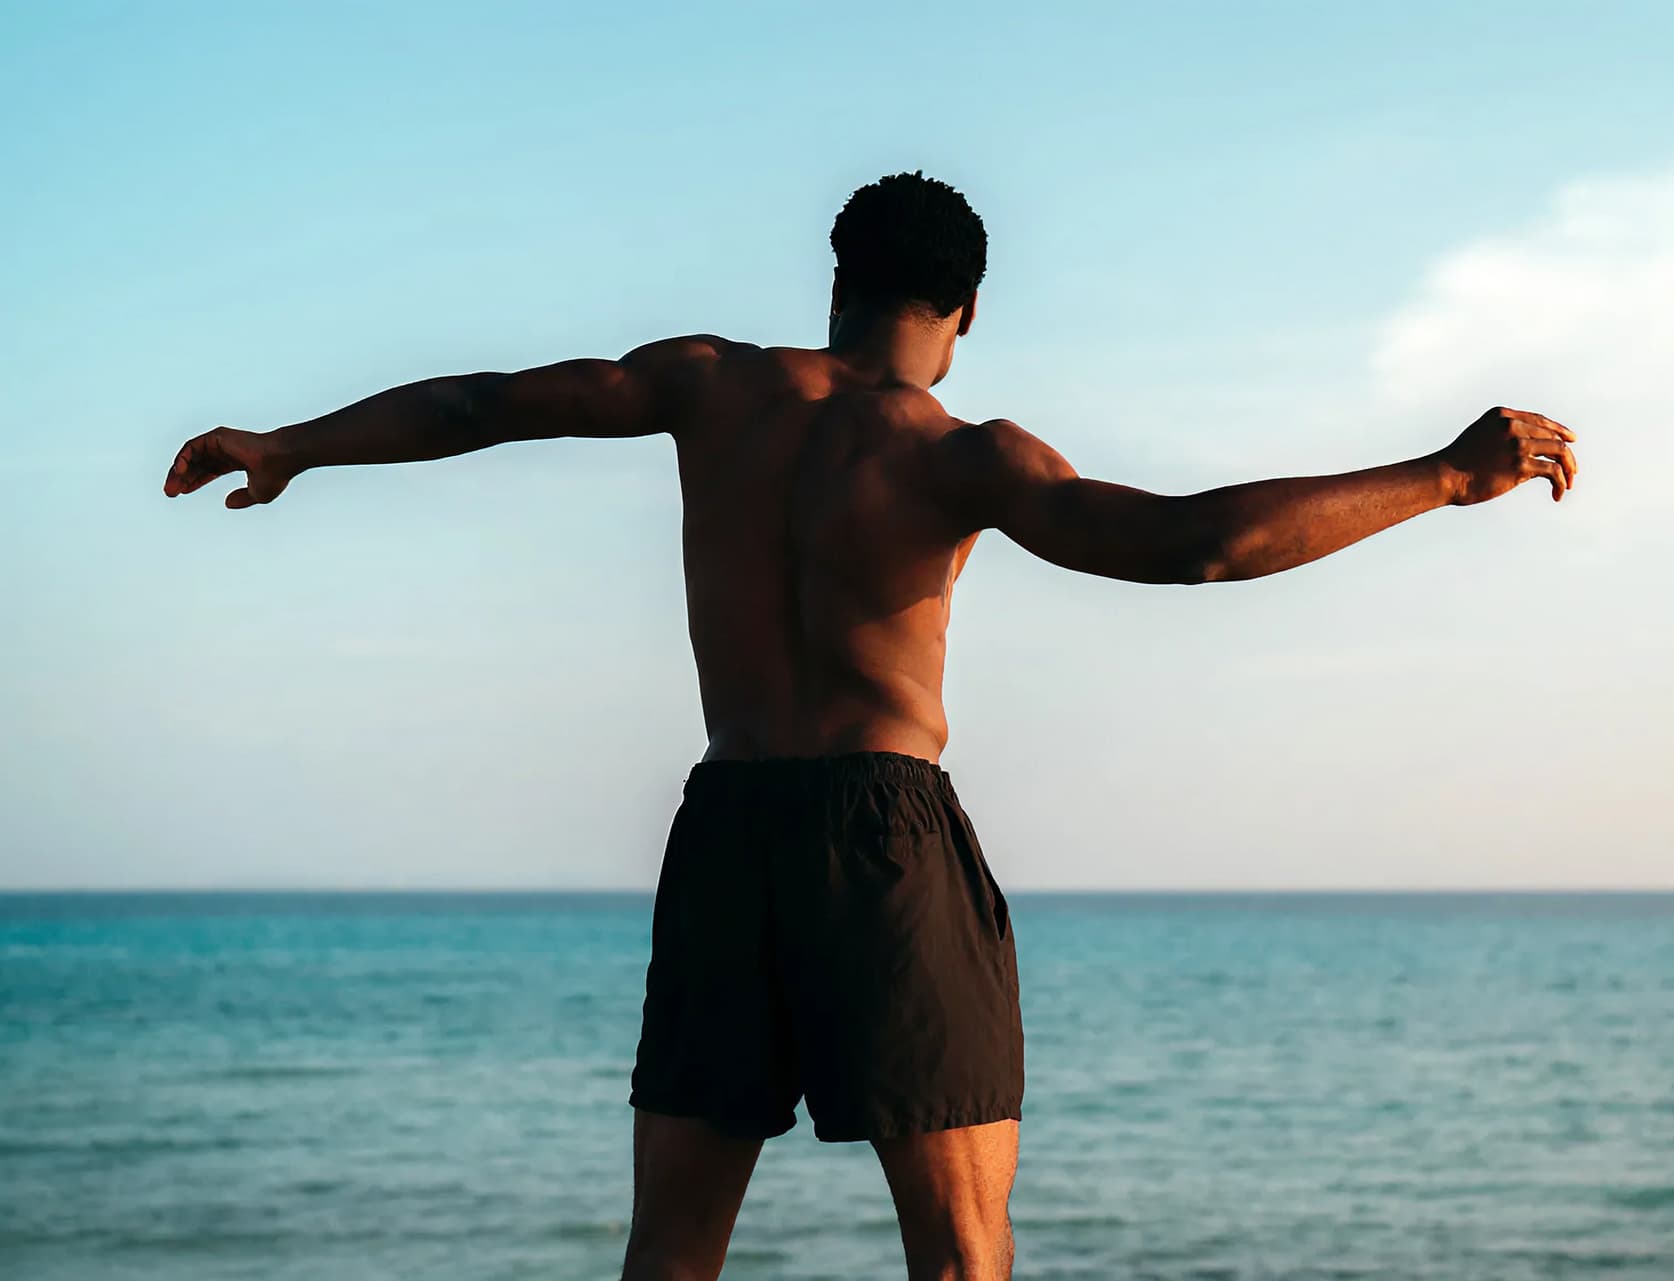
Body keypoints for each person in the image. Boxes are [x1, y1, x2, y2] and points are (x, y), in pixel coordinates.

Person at [162, 170, 1578, 1281]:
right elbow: (1194, 545)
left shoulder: (704, 383)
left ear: (836, 281)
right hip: (880, 836)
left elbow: (484, 402)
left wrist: (290, 444)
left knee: (669, 1254)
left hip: (727, 828)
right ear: (967, 312)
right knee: (958, 1253)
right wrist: (1445, 478)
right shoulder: (959, 453)